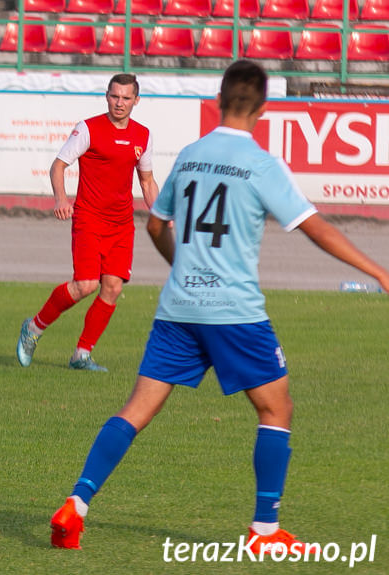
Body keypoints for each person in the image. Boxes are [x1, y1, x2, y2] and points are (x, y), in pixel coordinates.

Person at [49, 60, 389, 553]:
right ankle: (264, 533)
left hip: (178, 309)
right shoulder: (260, 163)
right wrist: (378, 271)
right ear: (264, 108)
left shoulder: (189, 155)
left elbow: (155, 226)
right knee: (276, 408)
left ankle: (76, 505)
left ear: (218, 100)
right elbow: (315, 227)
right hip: (235, 312)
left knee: (136, 410)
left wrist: (184, 269)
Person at [16, 73, 159, 372]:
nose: (119, 103)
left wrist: (160, 215)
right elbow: (58, 166)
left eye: (126, 98)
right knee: (85, 284)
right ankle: (34, 327)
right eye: (114, 96)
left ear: (137, 100)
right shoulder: (88, 129)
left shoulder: (143, 135)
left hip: (122, 225)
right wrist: (61, 199)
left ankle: (81, 354)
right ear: (106, 96)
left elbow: (146, 182)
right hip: (89, 219)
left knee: (112, 288)